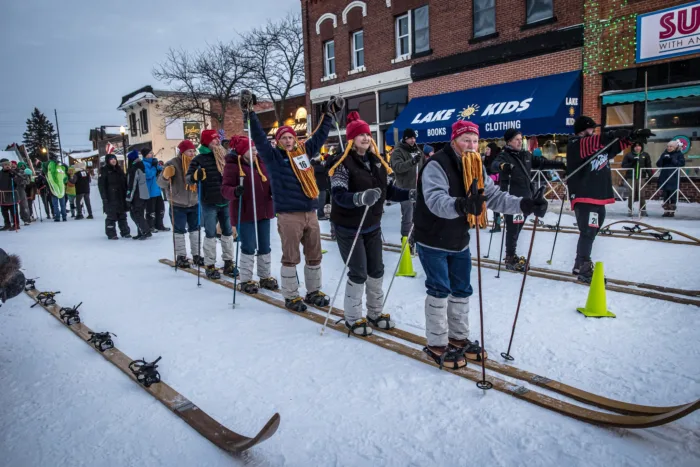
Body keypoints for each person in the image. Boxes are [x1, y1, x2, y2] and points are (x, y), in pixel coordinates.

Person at [414, 120, 547, 369]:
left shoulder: (475, 164)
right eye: (466, 140)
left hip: (458, 238)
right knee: (440, 289)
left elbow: (493, 196)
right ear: (454, 141)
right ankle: (437, 343)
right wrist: (463, 205)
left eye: (475, 141)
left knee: (462, 289)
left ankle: (458, 337)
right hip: (432, 237)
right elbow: (434, 200)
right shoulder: (437, 164)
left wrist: (525, 204)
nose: (471, 146)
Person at [241, 90, 337, 312]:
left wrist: (329, 115)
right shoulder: (273, 158)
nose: (288, 140)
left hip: (310, 212)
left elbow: (320, 137)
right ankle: (291, 295)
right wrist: (250, 115)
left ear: (295, 139)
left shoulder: (303, 154)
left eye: (291, 137)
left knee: (314, 254)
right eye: (283, 138)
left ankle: (313, 291)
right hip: (288, 214)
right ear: (278, 141)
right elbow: (258, 138)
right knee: (291, 256)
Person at [327, 111, 413, 336]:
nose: (365, 138)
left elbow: (388, 191)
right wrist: (358, 198)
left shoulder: (377, 161)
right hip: (349, 227)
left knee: (376, 270)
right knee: (358, 271)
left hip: (372, 225)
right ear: (351, 139)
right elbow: (337, 194)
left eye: (367, 134)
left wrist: (408, 194)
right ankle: (353, 317)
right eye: (360, 135)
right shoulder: (342, 163)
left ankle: (375, 312)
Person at [566, 116, 651, 282]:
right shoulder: (576, 144)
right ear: (584, 129)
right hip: (584, 195)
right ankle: (583, 265)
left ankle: (579, 262)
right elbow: (598, 141)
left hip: (599, 195)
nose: (594, 131)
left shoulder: (596, 144)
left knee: (593, 230)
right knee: (588, 231)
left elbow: (615, 146)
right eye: (592, 129)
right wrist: (617, 133)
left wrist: (632, 137)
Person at [492, 129, 565, 271]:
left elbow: (541, 163)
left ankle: (511, 254)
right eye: (516, 139)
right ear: (509, 142)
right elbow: (494, 165)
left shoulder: (526, 155)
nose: (520, 141)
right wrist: (503, 167)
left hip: (526, 199)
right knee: (513, 229)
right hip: (512, 199)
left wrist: (560, 165)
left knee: (518, 228)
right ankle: (510, 256)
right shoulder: (504, 156)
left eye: (521, 139)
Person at [221, 135, 277, 293]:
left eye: (254, 149)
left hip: (264, 211)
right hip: (245, 212)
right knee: (249, 245)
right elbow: (225, 189)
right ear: (242, 152)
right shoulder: (232, 166)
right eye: (250, 149)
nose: (254, 152)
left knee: (265, 244)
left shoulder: (261, 163)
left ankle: (265, 276)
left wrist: (274, 191)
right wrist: (235, 191)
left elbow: (269, 181)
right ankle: (246, 279)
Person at [185, 129, 236, 279]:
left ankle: (228, 262)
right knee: (210, 233)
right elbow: (188, 178)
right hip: (209, 201)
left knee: (227, 232)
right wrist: (195, 175)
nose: (217, 141)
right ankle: (210, 264)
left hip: (225, 200)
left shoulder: (225, 156)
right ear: (206, 141)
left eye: (217, 139)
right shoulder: (199, 159)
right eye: (213, 139)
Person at [157, 140, 202, 267]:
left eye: (193, 150)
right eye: (189, 151)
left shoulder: (196, 163)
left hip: (194, 202)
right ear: (182, 152)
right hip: (178, 203)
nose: (192, 153)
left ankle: (197, 254)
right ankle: (181, 255)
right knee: (179, 231)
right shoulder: (172, 164)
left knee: (195, 230)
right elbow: (160, 183)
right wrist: (166, 176)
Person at [390, 128, 423, 252]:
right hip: (404, 189)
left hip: (417, 188)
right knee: (408, 217)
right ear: (405, 139)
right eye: (410, 138)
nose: (413, 140)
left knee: (418, 216)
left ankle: (416, 239)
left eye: (414, 138)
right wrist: (412, 162)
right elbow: (397, 167)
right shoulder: (398, 151)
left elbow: (423, 165)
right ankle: (406, 241)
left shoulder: (417, 150)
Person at [98, 153, 131, 240]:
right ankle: (111, 233)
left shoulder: (119, 170)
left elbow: (124, 182)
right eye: (111, 159)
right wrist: (104, 198)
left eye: (114, 159)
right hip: (110, 197)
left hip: (120, 196)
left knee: (122, 215)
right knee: (111, 216)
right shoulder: (104, 170)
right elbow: (101, 186)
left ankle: (125, 232)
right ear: (108, 161)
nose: (113, 160)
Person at [142, 149, 170, 232]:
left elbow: (162, 171)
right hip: (150, 191)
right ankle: (150, 226)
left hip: (157, 190)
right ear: (145, 155)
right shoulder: (144, 164)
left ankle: (159, 225)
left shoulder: (154, 163)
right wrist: (154, 168)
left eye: (152, 153)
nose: (152, 154)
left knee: (160, 209)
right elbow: (148, 175)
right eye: (150, 153)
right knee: (151, 210)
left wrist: (161, 168)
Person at [621, 142, 651, 216]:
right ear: (633, 147)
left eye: (639, 146)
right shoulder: (629, 155)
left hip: (642, 176)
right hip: (631, 177)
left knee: (642, 194)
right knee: (631, 194)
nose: (637, 148)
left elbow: (648, 165)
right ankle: (630, 210)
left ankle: (643, 209)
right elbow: (624, 166)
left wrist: (650, 175)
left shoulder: (645, 155)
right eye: (636, 146)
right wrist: (632, 162)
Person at [656, 140, 685, 218]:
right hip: (664, 176)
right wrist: (663, 159)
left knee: (672, 194)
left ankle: (671, 211)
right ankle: (666, 211)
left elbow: (681, 164)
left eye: (670, 146)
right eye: (668, 146)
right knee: (665, 194)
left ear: (675, 147)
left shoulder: (679, 154)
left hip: (673, 177)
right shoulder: (664, 154)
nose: (668, 148)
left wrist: (672, 159)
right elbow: (658, 164)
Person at [126, 150, 151, 240]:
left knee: (136, 214)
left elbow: (132, 185)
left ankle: (145, 231)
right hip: (144, 194)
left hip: (137, 195)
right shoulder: (141, 166)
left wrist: (128, 198)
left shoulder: (134, 169)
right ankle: (141, 232)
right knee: (140, 213)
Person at [483, 142, 502, 233]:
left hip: (496, 186)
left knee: (496, 206)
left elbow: (499, 174)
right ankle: (479, 221)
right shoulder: (486, 159)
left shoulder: (496, 160)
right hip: (486, 185)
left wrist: (490, 178)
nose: (486, 151)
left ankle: (498, 225)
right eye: (486, 149)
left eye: (488, 149)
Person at [45, 155, 68, 222]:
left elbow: (50, 179)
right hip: (62, 190)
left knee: (55, 205)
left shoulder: (50, 168)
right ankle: (64, 217)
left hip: (54, 190)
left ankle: (57, 217)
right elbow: (65, 178)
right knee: (62, 205)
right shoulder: (61, 169)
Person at [0, 159, 20, 230]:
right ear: (2, 166)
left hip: (12, 194)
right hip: (2, 195)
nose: (7, 166)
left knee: (13, 211)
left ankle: (16, 224)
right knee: (4, 211)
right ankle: (7, 224)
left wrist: (14, 178)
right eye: (5, 165)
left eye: (8, 164)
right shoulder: (0, 173)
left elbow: (20, 180)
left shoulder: (13, 172)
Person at [311, 153, 330, 220]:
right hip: (320, 185)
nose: (320, 158)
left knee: (322, 201)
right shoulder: (314, 166)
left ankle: (321, 214)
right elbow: (324, 170)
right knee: (321, 201)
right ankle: (320, 215)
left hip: (321, 185)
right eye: (319, 157)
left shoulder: (316, 164)